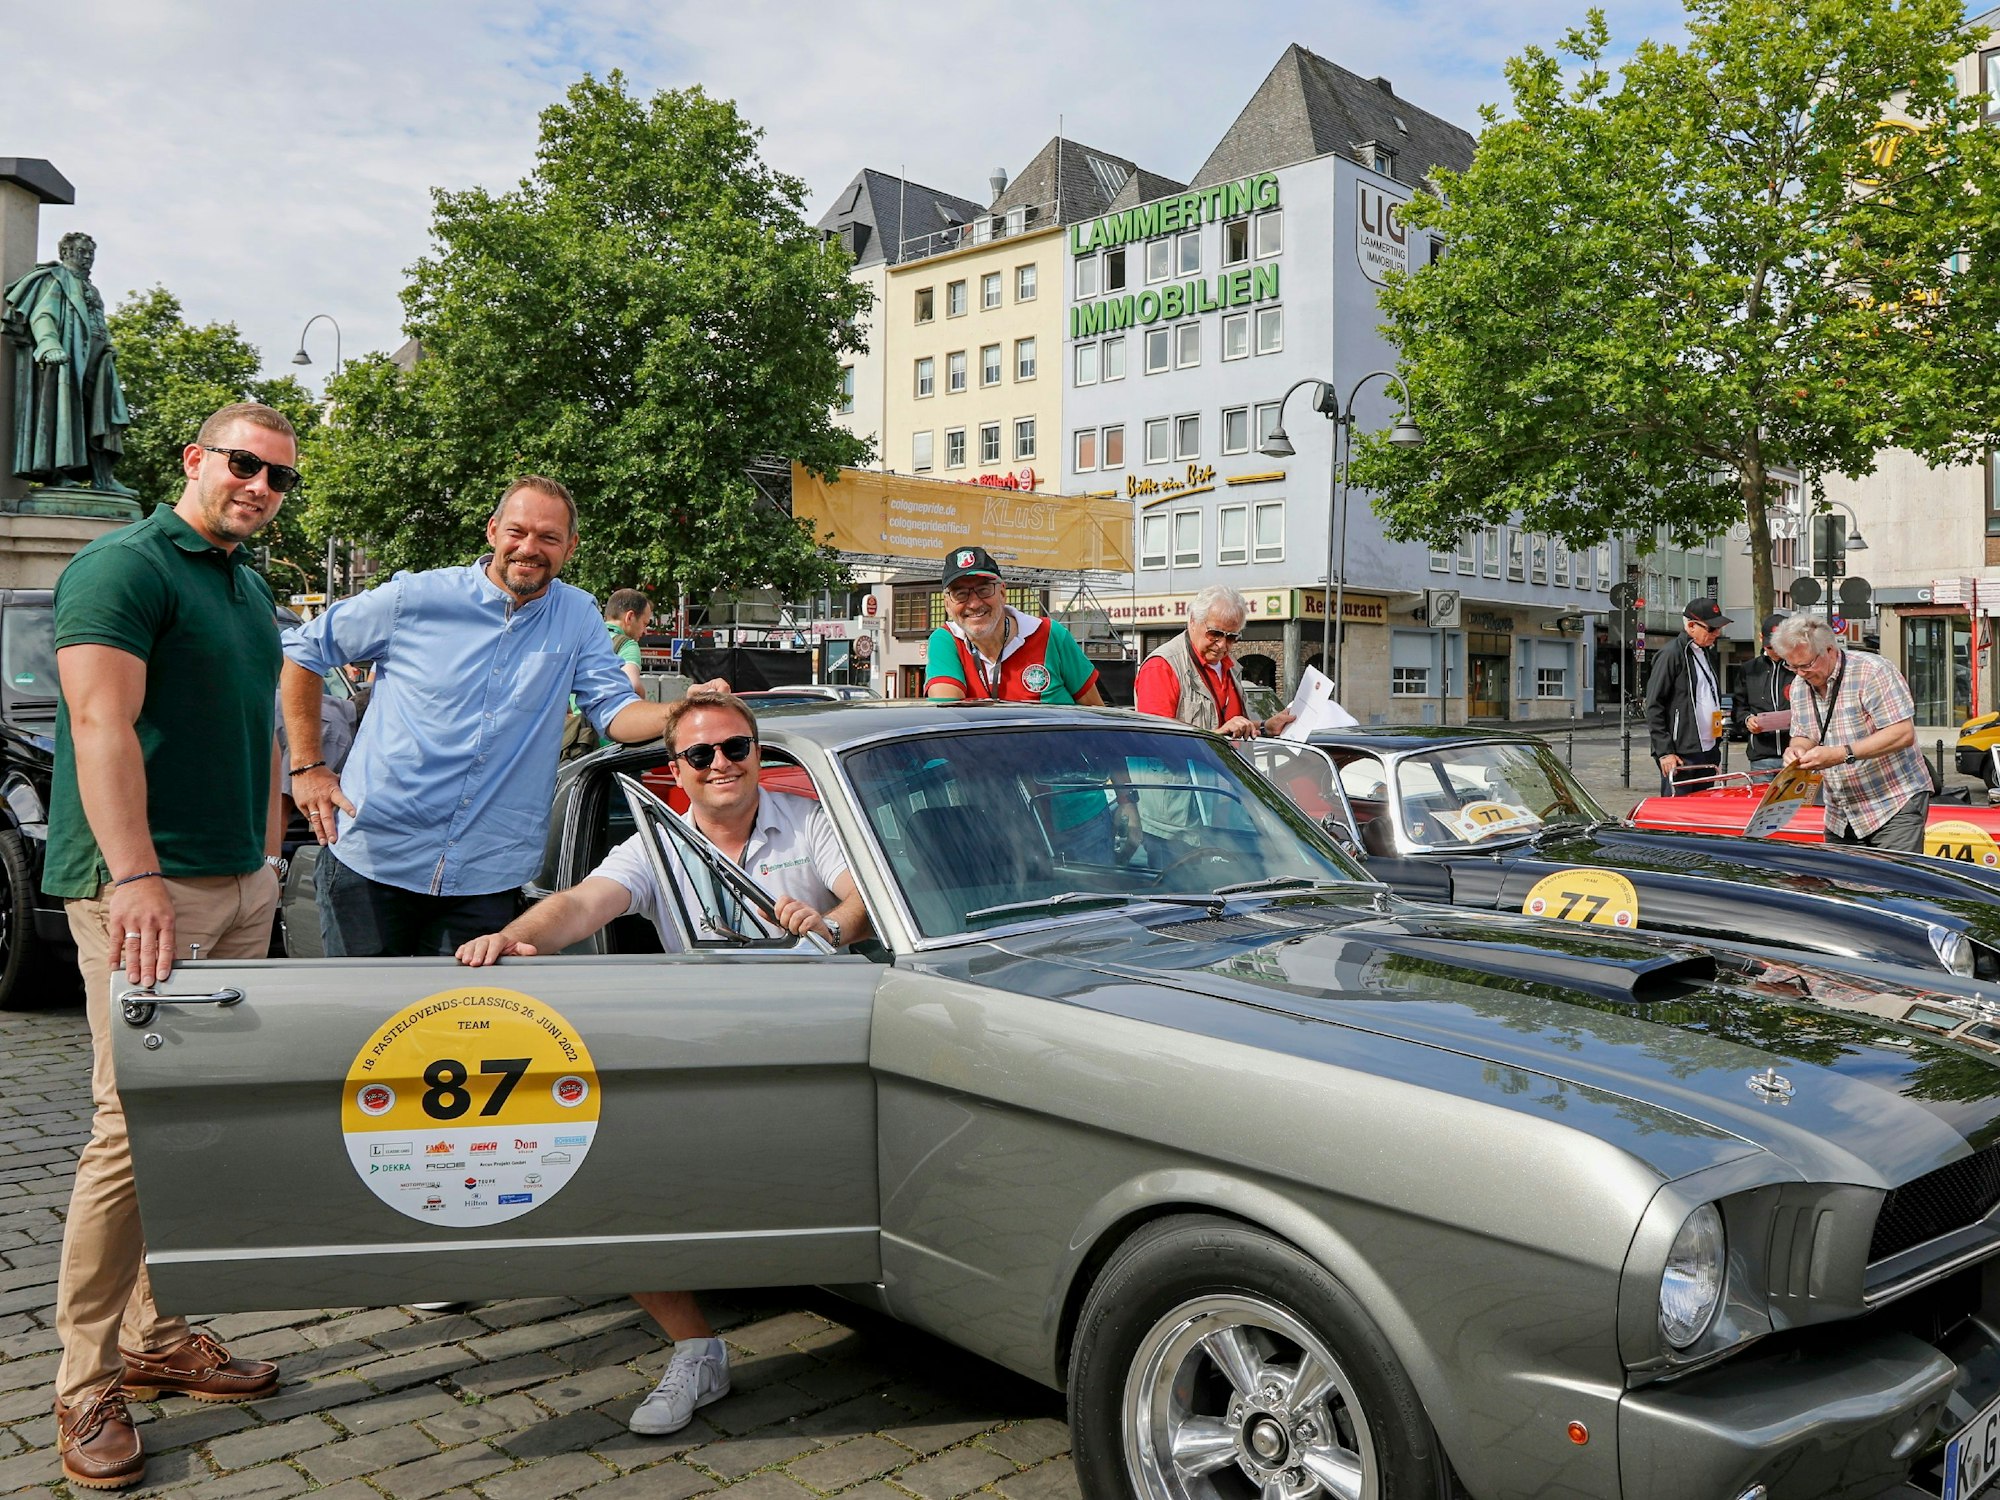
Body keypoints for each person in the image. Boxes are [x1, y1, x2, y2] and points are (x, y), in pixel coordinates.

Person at [455, 688, 868, 1436]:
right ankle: (695, 1347)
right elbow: (582, 905)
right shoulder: (656, 843)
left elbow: (858, 899)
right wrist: (514, 941)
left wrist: (828, 928)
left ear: (757, 754)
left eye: (735, 748)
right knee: (585, 1163)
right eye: (700, 754)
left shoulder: (811, 819)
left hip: (820, 1039)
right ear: (676, 770)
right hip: (709, 1050)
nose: (720, 765)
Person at [45, 403, 298, 1490]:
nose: (258, 486)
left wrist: (271, 856)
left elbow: (266, 727)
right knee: (129, 1122)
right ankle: (83, 1381)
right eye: (243, 464)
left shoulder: (243, 583)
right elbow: (100, 726)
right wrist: (139, 874)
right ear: (194, 460)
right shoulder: (123, 565)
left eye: (280, 476)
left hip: (237, 883)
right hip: (147, 890)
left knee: (190, 1124)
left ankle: (157, 1337)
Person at [280, 476, 680, 957]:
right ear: (492, 531)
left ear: (570, 547)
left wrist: (685, 710)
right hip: (373, 861)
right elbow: (303, 651)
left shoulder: (578, 616)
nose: (529, 548)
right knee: (367, 1027)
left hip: (486, 878)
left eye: (549, 537)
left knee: (459, 1029)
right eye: (517, 531)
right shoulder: (415, 597)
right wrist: (306, 768)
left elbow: (616, 713)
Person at [1775, 613, 1932, 851]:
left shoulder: (1873, 671)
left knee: (1894, 886)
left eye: (1806, 664)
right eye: (1792, 666)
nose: (1800, 673)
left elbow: (1901, 733)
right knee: (1843, 887)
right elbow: (1804, 733)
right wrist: (1796, 749)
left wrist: (1840, 754)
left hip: (1892, 803)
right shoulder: (1799, 685)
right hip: (1841, 812)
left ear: (1830, 650)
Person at [3, 231, 135, 494]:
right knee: (65, 412)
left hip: (98, 360)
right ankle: (58, 473)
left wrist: (108, 345)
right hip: (69, 357)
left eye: (90, 253)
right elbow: (42, 315)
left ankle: (103, 477)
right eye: (80, 252)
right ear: (64, 253)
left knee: (102, 413)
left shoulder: (91, 288)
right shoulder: (55, 279)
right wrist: (49, 344)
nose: (86, 258)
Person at [925, 545, 1104, 704]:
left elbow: (1097, 714)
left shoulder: (1050, 634)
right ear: (947, 604)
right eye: (961, 594)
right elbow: (946, 712)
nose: (974, 603)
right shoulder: (946, 640)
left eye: (984, 590)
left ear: (1002, 593)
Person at [1135, 585, 1294, 738]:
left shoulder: (1229, 666)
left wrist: (1265, 727)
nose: (1222, 645)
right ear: (1192, 621)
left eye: (1232, 637)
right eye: (1215, 634)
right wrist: (1216, 736)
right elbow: (1155, 735)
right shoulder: (1161, 666)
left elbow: (1228, 727)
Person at [1644, 598, 1730, 795]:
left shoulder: (1706, 653)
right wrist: (1664, 751)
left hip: (1707, 748)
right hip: (1682, 751)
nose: (1716, 634)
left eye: (1718, 629)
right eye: (1711, 629)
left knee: (1702, 808)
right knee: (1679, 811)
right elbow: (1654, 705)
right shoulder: (1671, 654)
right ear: (1691, 626)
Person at [1736, 612, 1796, 773]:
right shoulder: (1749, 670)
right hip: (1762, 754)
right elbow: (1739, 708)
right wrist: (1748, 720)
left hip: (1795, 753)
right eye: (1770, 647)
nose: (1775, 651)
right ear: (1761, 638)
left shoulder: (1800, 668)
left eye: (1779, 646)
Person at [603, 588, 652, 694]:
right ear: (630, 617)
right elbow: (633, 686)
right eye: (645, 623)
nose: (645, 631)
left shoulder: (585, 640)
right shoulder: (627, 645)